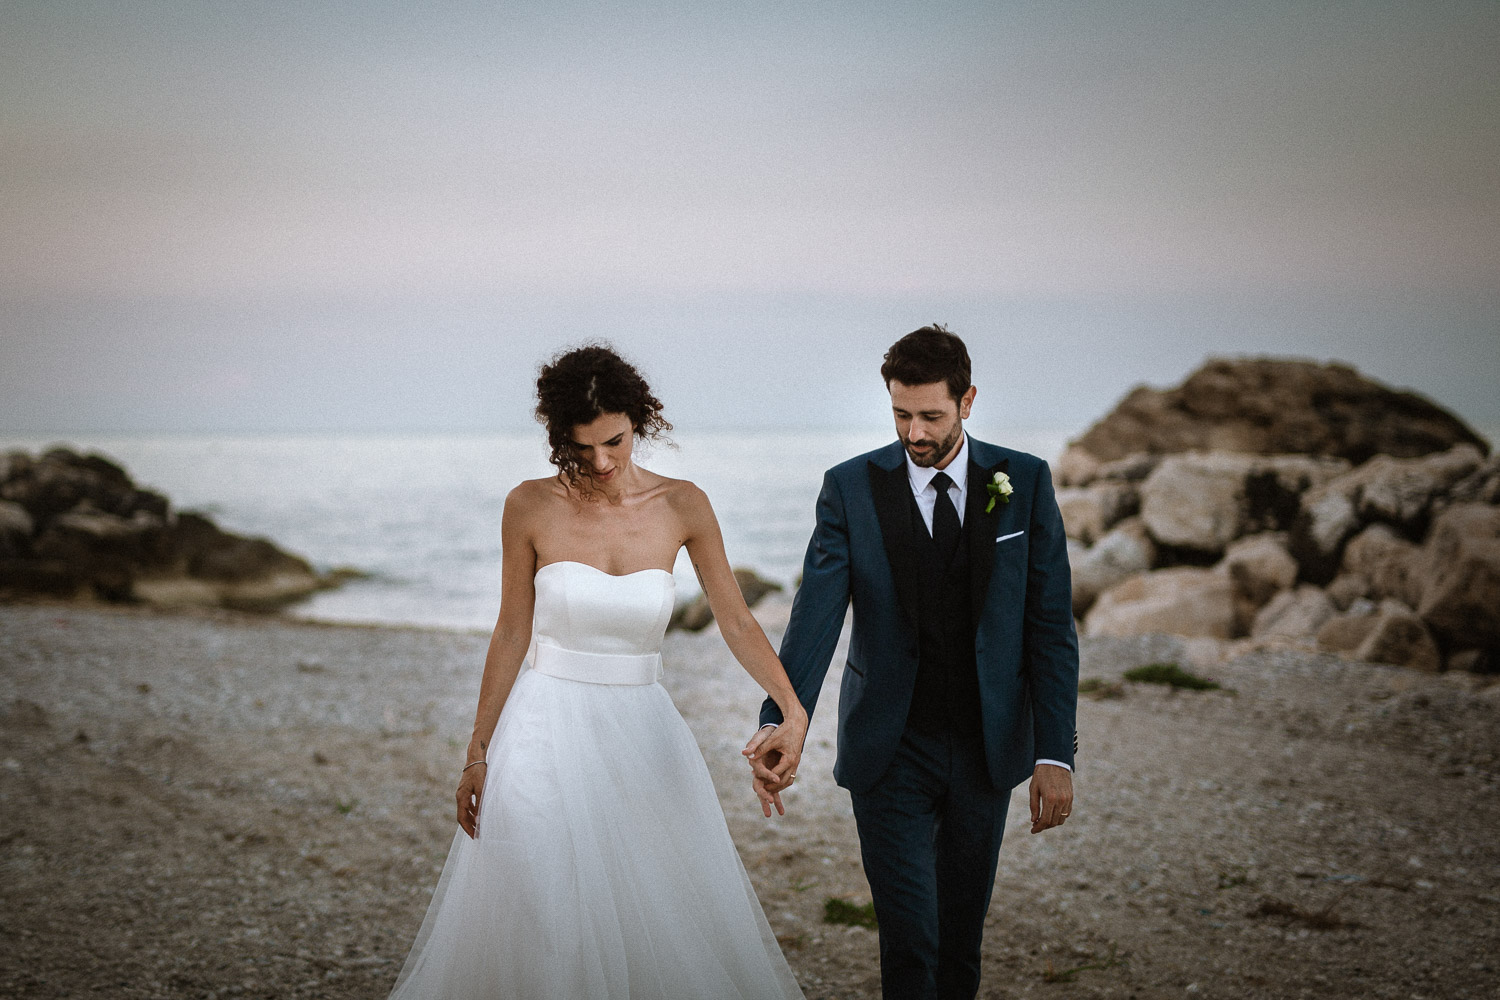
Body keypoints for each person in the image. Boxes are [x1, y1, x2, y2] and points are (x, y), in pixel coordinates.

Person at [388, 344, 808, 1000]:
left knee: (650, 902)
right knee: (542, 892)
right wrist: (477, 751)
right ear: (560, 440)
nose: (602, 462)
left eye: (613, 441)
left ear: (639, 420)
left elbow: (735, 621)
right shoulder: (528, 506)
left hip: (643, 729)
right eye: (582, 449)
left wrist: (791, 707)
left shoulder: (683, 505)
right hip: (541, 722)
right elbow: (511, 630)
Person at [744, 325, 1078, 1000]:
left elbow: (1050, 628)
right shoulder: (849, 489)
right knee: (910, 945)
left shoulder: (1024, 483)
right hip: (889, 748)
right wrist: (781, 720)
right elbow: (815, 617)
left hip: (986, 749)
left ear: (968, 401)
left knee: (960, 945)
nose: (915, 431)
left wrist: (1056, 753)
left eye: (931, 415)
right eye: (901, 414)